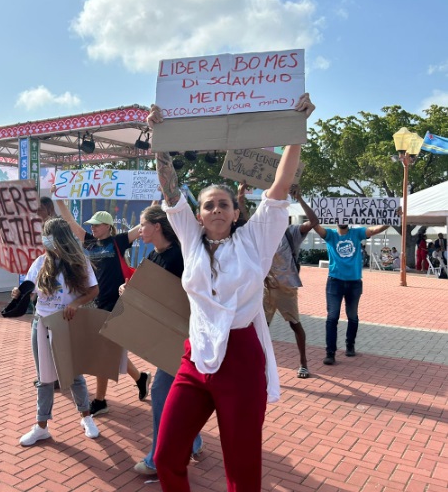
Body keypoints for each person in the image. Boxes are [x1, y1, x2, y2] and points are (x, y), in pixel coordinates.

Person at [148, 92, 316, 492]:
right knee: (167, 455)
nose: (217, 210)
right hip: (196, 360)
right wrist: (159, 140)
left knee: (242, 467)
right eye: (209, 205)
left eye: (224, 204)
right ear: (200, 215)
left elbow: (280, 186)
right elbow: (171, 194)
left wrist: (296, 131)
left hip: (241, 361)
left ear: (237, 212)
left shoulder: (255, 240)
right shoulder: (189, 240)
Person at [125, 205, 204, 476]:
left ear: (157, 226)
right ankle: (193, 440)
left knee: (160, 391)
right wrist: (131, 289)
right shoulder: (153, 254)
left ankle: (159, 458)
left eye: (142, 224)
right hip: (166, 337)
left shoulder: (181, 256)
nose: (139, 230)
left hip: (183, 337)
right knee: (175, 393)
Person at [55, 197, 151, 417]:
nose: (92, 228)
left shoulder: (118, 241)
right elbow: (71, 223)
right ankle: (140, 378)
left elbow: (142, 226)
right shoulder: (88, 241)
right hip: (96, 302)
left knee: (103, 351)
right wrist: (60, 201)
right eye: (91, 225)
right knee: (110, 350)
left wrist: (159, 200)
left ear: (107, 226)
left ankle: (100, 401)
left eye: (96, 225)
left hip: (117, 304)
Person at [14, 217, 101, 446]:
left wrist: (75, 304)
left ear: (58, 237)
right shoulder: (41, 262)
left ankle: (86, 417)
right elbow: (29, 289)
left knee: (72, 374)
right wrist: (19, 292)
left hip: (65, 324)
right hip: (40, 322)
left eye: (47, 235)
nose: (44, 240)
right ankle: (41, 426)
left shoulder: (78, 261)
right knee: (44, 377)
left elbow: (93, 290)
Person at [240, 184, 318, 380]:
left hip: (286, 287)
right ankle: (258, 364)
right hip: (265, 286)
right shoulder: (261, 233)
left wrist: (299, 198)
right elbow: (244, 219)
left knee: (294, 324)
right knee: (259, 326)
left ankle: (303, 363)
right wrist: (241, 194)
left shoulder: (291, 232)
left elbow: (314, 221)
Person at [313, 221, 390, 365]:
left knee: (352, 316)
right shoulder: (330, 235)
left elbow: (374, 230)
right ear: (336, 220)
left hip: (354, 282)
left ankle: (350, 345)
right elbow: (316, 226)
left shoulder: (357, 233)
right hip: (335, 282)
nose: (343, 221)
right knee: (332, 318)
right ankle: (330, 353)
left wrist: (392, 219)